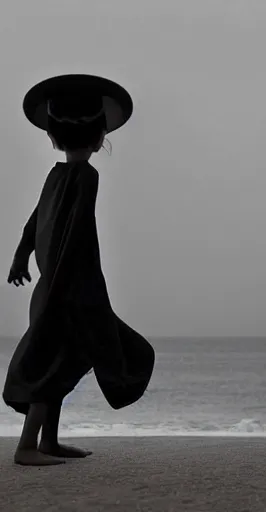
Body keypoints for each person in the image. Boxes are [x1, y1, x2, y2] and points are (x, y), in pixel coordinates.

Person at [3, 74, 155, 466]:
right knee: (58, 365)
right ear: (99, 137)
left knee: (62, 360)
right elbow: (75, 238)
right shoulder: (86, 177)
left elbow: (34, 223)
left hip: (55, 288)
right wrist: (70, 295)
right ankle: (25, 447)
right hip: (69, 291)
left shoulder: (55, 176)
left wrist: (21, 258)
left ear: (53, 137)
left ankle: (48, 442)